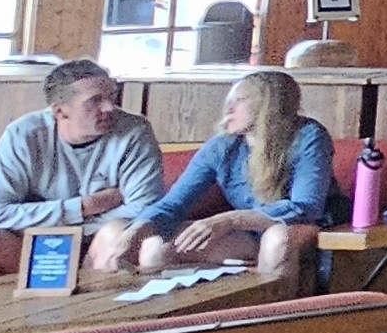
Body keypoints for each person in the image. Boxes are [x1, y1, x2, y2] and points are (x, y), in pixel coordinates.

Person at [88, 69, 333, 287]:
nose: (228, 109)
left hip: (303, 228)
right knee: (156, 248)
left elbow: (305, 207)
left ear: (269, 105)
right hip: (248, 233)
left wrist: (228, 220)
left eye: (240, 100)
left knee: (276, 238)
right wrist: (133, 233)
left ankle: (270, 318)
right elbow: (173, 204)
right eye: (229, 101)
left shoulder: (309, 136)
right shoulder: (221, 147)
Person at [0, 59, 168, 265]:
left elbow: (145, 209)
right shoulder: (23, 135)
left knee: (118, 234)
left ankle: (97, 285)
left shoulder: (134, 131)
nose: (109, 107)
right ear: (60, 112)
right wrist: (84, 207)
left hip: (98, 242)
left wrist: (69, 227)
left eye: (112, 96)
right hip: (29, 243)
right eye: (95, 100)